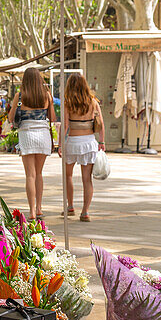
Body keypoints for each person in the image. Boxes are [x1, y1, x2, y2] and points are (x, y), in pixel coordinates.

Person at [6, 67, 55, 220]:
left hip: (26, 135)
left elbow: (10, 118)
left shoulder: (19, 96)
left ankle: (32, 211)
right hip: (43, 134)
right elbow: (52, 118)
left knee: (30, 175)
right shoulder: (47, 95)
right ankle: (39, 209)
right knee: (39, 174)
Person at [59, 73, 104, 222]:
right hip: (89, 143)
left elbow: (65, 126)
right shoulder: (93, 102)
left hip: (72, 143)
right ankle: (85, 212)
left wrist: (60, 145)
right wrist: (102, 142)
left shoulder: (68, 103)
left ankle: (70, 206)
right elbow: (101, 124)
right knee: (87, 179)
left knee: (68, 176)